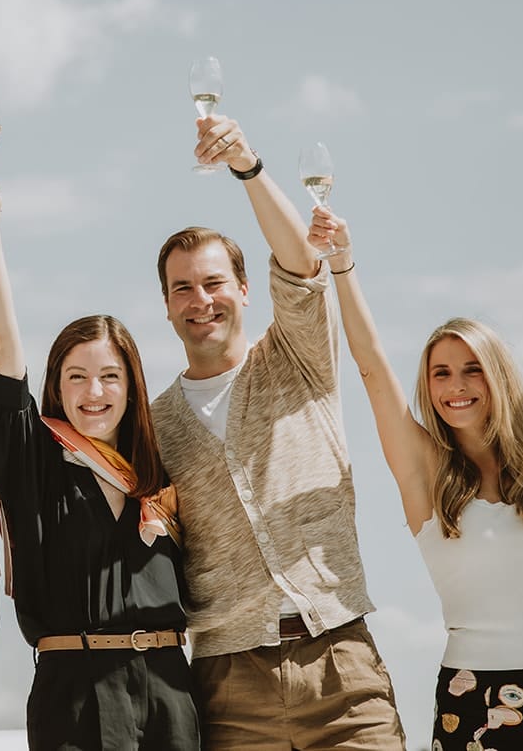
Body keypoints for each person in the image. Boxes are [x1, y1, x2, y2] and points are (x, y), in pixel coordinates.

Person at [307, 205, 523, 751]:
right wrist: (342, 264)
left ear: (496, 376)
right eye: (441, 373)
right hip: (475, 695)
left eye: (472, 368)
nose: (457, 385)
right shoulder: (428, 475)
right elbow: (372, 369)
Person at [149, 114, 404, 751]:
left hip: (341, 662)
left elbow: (301, 263)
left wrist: (248, 168)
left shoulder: (296, 354)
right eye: (183, 289)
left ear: (243, 288)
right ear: (166, 305)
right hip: (228, 681)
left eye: (213, 283)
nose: (200, 300)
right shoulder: (152, 425)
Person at [0, 159, 198, 750]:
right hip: (76, 692)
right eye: (77, 376)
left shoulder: (159, 471)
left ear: (132, 386)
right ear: (56, 387)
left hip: (173, 691)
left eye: (111, 376)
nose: (95, 392)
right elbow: (2, 346)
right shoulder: (35, 460)